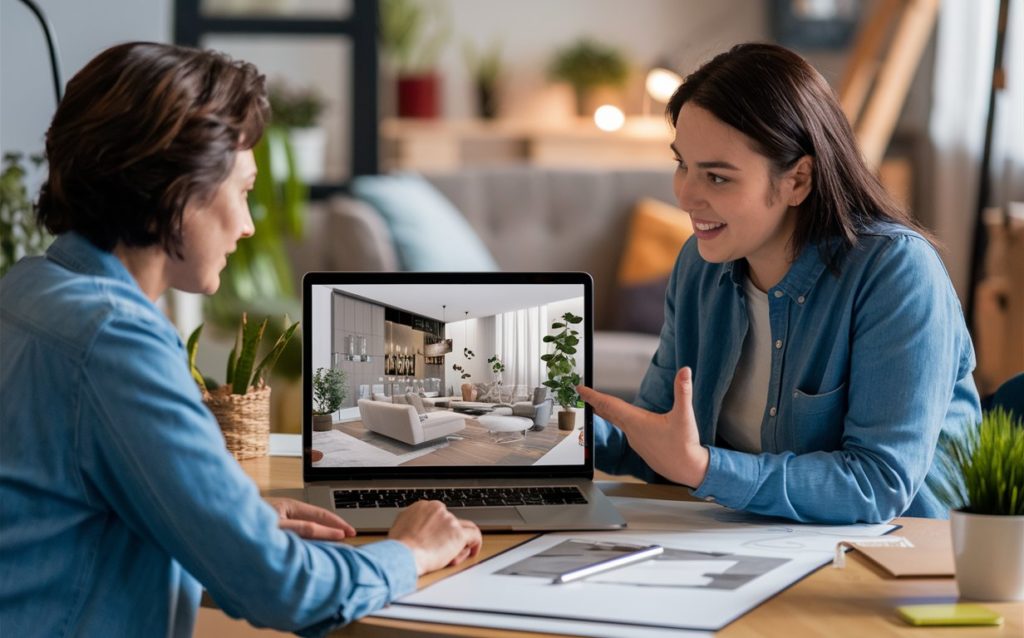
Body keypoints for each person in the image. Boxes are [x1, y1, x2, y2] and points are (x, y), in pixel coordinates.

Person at [0, 42, 480, 637]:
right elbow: (284, 589)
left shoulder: (28, 289)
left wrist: (227, 524)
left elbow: (75, 510)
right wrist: (412, 551)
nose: (249, 225)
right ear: (178, 190)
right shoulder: (117, 340)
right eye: (244, 191)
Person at [579, 43, 980, 525]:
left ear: (798, 180)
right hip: (751, 540)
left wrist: (705, 468)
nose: (686, 195)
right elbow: (662, 446)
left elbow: (878, 482)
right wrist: (542, 425)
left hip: (898, 552)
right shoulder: (698, 266)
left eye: (717, 178)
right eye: (682, 164)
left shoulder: (896, 272)